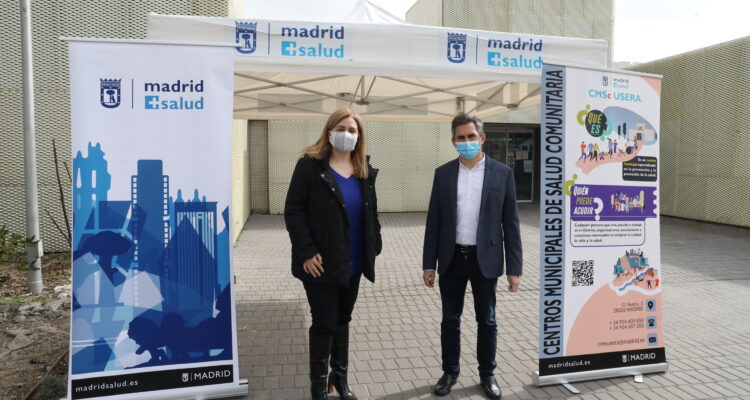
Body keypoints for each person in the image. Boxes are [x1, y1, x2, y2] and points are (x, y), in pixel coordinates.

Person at [422, 113, 523, 399]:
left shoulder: (502, 174)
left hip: (485, 259)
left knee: (487, 321)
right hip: (451, 258)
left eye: (471, 136)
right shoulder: (443, 174)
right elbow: (434, 221)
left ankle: (487, 374)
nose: (466, 142)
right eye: (461, 138)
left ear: (482, 138)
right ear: (453, 141)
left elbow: (511, 224)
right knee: (449, 320)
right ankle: (449, 372)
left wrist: (514, 268)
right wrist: (429, 264)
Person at [284, 109, 382, 400]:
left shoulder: (363, 170)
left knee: (343, 319)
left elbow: (371, 212)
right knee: (325, 323)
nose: (347, 134)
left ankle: (339, 378)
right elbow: (293, 210)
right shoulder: (310, 166)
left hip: (354, 261)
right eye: (341, 128)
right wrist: (306, 251)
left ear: (359, 137)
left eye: (352, 130)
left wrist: (375, 243)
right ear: (329, 131)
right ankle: (318, 388)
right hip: (321, 263)